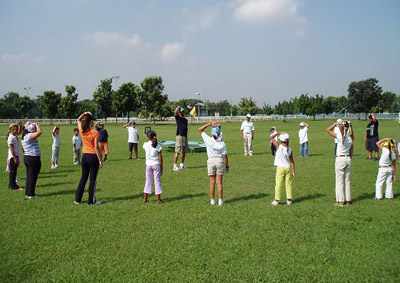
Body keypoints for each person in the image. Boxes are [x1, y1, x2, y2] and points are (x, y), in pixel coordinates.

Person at [75, 112, 103, 205]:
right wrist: (100, 160)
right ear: (91, 122)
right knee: (92, 180)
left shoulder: (82, 131)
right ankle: (91, 201)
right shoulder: (95, 132)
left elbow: (78, 120)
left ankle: (77, 199)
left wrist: (84, 113)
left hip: (85, 156)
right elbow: (96, 147)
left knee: (83, 178)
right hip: (93, 157)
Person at [199, 122, 229, 206]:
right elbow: (225, 156)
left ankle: (212, 200)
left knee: (212, 182)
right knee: (219, 182)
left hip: (210, 161)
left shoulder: (208, 139)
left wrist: (209, 124)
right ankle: (220, 201)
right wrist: (227, 165)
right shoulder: (222, 143)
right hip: (219, 161)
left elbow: (200, 129)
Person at [327, 121, 354, 206]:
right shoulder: (350, 138)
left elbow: (328, 130)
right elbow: (351, 149)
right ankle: (348, 199)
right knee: (347, 180)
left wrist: (335, 124)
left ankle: (341, 200)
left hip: (340, 159)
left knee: (339, 181)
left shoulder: (339, 136)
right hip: (348, 158)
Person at [270, 132, 295, 206]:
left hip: (280, 168)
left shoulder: (279, 147)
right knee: (288, 184)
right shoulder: (289, 149)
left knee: (278, 184)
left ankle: (276, 200)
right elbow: (292, 161)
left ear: (281, 140)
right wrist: (293, 172)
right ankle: (289, 200)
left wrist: (279, 133)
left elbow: (271, 137)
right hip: (287, 168)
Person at [22, 122, 42, 199]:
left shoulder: (24, 135)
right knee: (33, 177)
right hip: (33, 158)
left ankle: (28, 192)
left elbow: (26, 125)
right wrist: (36, 124)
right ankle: (31, 194)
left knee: (29, 176)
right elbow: (39, 132)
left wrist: (29, 123)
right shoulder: (29, 136)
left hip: (28, 157)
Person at [143, 130, 163, 204]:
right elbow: (160, 158)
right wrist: (162, 168)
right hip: (156, 164)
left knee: (148, 181)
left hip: (148, 165)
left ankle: (145, 198)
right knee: (157, 181)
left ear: (148, 137)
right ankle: (158, 199)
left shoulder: (145, 144)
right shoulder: (158, 146)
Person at [6, 123, 23, 191]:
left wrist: (20, 126)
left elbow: (19, 132)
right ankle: (14, 186)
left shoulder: (14, 135)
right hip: (13, 156)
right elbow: (11, 148)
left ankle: (11, 185)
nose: (17, 131)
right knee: (13, 171)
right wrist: (14, 157)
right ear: (12, 130)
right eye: (15, 129)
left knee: (13, 171)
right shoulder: (11, 137)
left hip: (16, 155)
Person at [173, 106, 188, 171]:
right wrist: (178, 107)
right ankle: (175, 165)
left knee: (183, 151)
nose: (182, 113)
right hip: (179, 136)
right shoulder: (178, 118)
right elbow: (175, 111)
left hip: (185, 136)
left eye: (183, 111)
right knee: (177, 151)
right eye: (181, 112)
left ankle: (181, 165)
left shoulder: (185, 120)